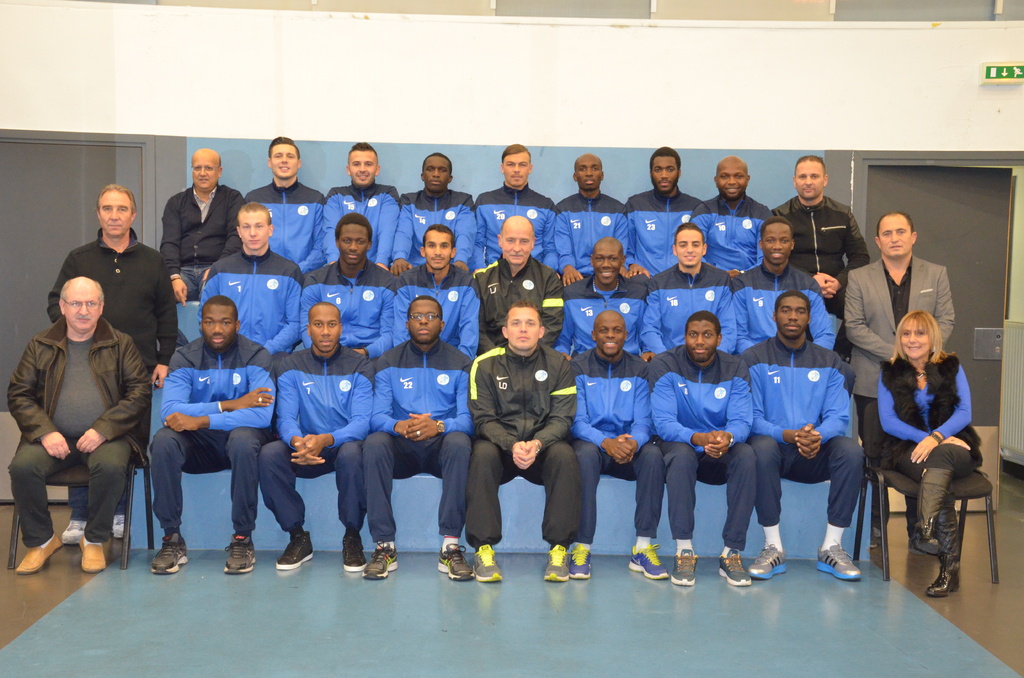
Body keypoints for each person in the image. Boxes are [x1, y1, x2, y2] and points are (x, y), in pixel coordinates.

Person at [47, 184, 177, 544]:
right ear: (98, 214)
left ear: (133, 215)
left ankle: (118, 513)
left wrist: (165, 359)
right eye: (107, 208)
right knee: (83, 435)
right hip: (85, 368)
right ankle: (79, 515)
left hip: (136, 371)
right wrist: (78, 334)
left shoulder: (153, 261)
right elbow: (56, 303)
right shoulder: (79, 259)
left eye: (122, 209)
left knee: (121, 442)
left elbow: (167, 313)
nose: (114, 215)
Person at [9, 277, 150, 574]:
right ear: (62, 306)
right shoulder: (40, 344)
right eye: (75, 303)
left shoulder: (121, 343)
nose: (83, 311)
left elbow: (139, 393)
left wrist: (103, 429)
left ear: (101, 307)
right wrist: (45, 431)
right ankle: (42, 541)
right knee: (22, 467)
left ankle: (93, 539)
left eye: (90, 303)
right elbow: (19, 394)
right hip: (52, 439)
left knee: (111, 467)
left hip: (107, 438)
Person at [845, 211, 954, 544]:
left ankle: (918, 531)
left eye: (901, 231)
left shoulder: (936, 274)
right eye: (887, 233)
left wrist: (918, 354)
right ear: (878, 241)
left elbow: (945, 321)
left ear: (913, 237)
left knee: (918, 453)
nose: (895, 238)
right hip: (872, 380)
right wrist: (900, 354)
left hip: (923, 383)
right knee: (875, 455)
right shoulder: (858, 277)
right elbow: (854, 327)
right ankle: (875, 531)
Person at [741, 290, 864, 581]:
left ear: (809, 318)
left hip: (813, 450)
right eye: (786, 310)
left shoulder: (829, 360)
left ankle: (832, 547)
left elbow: (838, 417)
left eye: (800, 311)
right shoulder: (753, 358)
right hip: (776, 450)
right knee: (760, 448)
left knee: (851, 451)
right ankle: (773, 547)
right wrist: (787, 435)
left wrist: (815, 436)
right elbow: (750, 418)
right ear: (774, 316)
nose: (793, 316)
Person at [149, 296, 274, 575]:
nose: (217, 329)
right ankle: (172, 539)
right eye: (209, 322)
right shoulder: (184, 357)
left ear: (237, 325)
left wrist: (201, 420)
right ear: (200, 324)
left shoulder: (256, 355)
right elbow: (170, 412)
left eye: (225, 322)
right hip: (201, 445)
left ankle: (243, 539)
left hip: (240, 442)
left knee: (243, 439)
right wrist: (230, 404)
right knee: (164, 441)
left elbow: (261, 416)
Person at [466, 300, 580, 582]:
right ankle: (483, 549)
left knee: (565, 455)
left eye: (530, 323)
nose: (523, 329)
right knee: (481, 453)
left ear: (541, 331)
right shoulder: (484, 364)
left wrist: (538, 443)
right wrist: (511, 444)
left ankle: (559, 549)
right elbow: (483, 419)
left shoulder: (559, 365)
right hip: (502, 449)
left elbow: (562, 419)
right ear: (505, 331)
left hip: (542, 448)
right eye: (516, 323)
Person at [362, 297, 474, 580]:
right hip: (403, 446)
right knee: (374, 443)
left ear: (442, 324)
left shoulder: (461, 362)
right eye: (417, 316)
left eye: (431, 316)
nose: (424, 321)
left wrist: (438, 426)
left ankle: (451, 546)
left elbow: (469, 419)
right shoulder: (388, 361)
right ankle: (384, 545)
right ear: (407, 323)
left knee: (460, 442)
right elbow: (376, 417)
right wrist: (398, 426)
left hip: (440, 447)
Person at [258, 302, 372, 573]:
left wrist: (326, 439)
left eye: (331, 325)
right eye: (318, 325)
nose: (325, 332)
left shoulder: (360, 365)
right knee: (270, 454)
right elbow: (286, 418)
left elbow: (361, 423)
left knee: (354, 453)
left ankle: (352, 536)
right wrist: (297, 442)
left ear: (341, 328)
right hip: (304, 446)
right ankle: (297, 536)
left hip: (340, 445)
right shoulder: (290, 364)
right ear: (307, 329)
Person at [877, 310, 981, 597]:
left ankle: (926, 527)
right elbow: (888, 422)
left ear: (932, 337)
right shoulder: (890, 371)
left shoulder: (951, 367)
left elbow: (964, 412)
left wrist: (938, 437)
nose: (912, 340)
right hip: (908, 448)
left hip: (955, 445)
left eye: (919, 333)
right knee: (938, 473)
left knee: (939, 461)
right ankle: (949, 569)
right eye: (906, 334)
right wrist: (926, 439)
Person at [649, 311, 756, 587]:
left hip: (719, 446)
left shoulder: (735, 366)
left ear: (719, 339)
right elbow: (664, 423)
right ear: (684, 337)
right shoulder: (664, 364)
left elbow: (742, 421)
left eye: (707, 335)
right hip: (682, 442)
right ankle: (684, 550)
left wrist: (728, 438)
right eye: (693, 335)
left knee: (746, 455)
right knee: (681, 456)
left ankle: (732, 552)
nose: (699, 341)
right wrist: (697, 437)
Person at [569, 310, 665, 580]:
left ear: (626, 335)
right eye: (604, 330)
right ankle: (582, 548)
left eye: (617, 330)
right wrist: (606, 442)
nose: (610, 335)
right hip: (593, 443)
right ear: (593, 335)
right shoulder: (577, 367)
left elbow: (644, 421)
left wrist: (633, 443)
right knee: (583, 455)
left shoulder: (640, 369)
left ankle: (643, 548)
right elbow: (577, 422)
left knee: (653, 455)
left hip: (627, 445)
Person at [773, 155, 869, 356]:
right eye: (803, 177)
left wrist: (839, 281)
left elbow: (860, 256)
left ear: (825, 180)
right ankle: (804, 359)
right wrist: (810, 280)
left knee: (867, 310)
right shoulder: (780, 216)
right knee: (793, 317)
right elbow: (776, 258)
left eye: (814, 176)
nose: (808, 182)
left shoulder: (843, 214)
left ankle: (837, 357)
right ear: (794, 181)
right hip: (797, 285)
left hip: (836, 286)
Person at [200, 203, 302, 354]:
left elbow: (295, 323)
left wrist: (266, 350)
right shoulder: (220, 270)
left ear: (270, 230)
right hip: (229, 356)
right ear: (239, 232)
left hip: (273, 357)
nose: (252, 233)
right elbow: (205, 317)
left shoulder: (289, 271)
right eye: (246, 227)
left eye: (259, 226)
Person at [732, 216, 834, 353]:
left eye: (784, 241)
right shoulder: (743, 283)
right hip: (756, 359)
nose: (777, 246)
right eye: (770, 240)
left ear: (792, 244)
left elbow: (824, 335)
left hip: (798, 358)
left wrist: (807, 359)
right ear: (761, 244)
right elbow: (739, 337)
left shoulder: (808, 285)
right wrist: (760, 359)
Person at [301, 213, 397, 358]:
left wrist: (365, 353)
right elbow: (306, 329)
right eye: (347, 241)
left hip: (370, 357)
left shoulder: (387, 282)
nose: (353, 247)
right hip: (326, 355)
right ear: (337, 242)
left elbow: (389, 333)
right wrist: (327, 354)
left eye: (360, 241)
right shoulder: (315, 281)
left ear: (369, 245)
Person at [160, 148, 245, 303]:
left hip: (217, 269)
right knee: (161, 294)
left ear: (219, 171)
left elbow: (236, 237)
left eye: (208, 168)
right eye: (197, 168)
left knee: (212, 293)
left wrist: (217, 268)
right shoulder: (176, 202)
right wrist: (174, 276)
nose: (202, 173)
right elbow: (169, 243)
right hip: (182, 272)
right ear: (192, 171)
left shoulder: (233, 199)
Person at [641, 223, 736, 358]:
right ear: (675, 250)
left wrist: (714, 359)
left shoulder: (720, 280)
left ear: (704, 249)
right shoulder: (659, 283)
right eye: (683, 245)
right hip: (671, 361)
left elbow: (728, 329)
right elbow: (650, 329)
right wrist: (666, 359)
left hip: (711, 360)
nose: (690, 250)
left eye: (695, 245)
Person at [473, 216, 563, 354]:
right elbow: (476, 328)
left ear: (533, 243)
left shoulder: (549, 278)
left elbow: (552, 325)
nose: (516, 248)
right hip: (491, 359)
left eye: (524, 241)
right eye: (510, 240)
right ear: (500, 241)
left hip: (534, 357)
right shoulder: (481, 279)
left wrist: (526, 354)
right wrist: (496, 359)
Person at [393, 224, 480, 357]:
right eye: (432, 246)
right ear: (423, 251)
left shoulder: (466, 282)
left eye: (444, 246)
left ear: (453, 252)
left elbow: (469, 331)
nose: (438, 252)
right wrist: (409, 362)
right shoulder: (406, 281)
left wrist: (462, 364)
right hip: (413, 358)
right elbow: (401, 331)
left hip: (453, 358)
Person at [244, 136, 326, 274]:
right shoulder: (254, 199)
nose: (284, 160)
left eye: (290, 156)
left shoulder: (315, 199)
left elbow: (321, 246)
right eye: (278, 156)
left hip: (303, 276)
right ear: (270, 162)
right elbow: (246, 241)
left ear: (298, 163)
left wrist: (297, 270)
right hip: (263, 275)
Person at [556, 237, 648, 357]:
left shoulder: (638, 293)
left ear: (622, 261)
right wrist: (562, 353)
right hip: (583, 363)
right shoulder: (572, 293)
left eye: (613, 259)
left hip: (628, 363)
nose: (606, 265)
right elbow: (563, 339)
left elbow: (646, 335)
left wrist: (648, 351)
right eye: (600, 258)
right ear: (592, 260)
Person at [472, 144, 558, 271]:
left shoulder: (545, 205)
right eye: (511, 164)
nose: (516, 170)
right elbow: (477, 243)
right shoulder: (484, 201)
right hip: (493, 273)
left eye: (522, 165)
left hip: (534, 275)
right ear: (502, 168)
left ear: (530, 168)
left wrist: (547, 273)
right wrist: (480, 271)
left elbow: (551, 248)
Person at [391, 153, 475, 274]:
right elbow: (404, 233)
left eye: (442, 170)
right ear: (422, 176)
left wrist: (461, 259)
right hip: (415, 270)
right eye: (430, 169)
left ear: (450, 178)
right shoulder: (409, 201)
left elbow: (464, 234)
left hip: (451, 269)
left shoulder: (463, 201)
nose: (436, 174)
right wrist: (399, 257)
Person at [553, 153, 629, 285]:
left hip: (609, 274)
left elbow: (621, 247)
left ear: (602, 175)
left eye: (594, 168)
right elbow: (563, 249)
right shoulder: (563, 209)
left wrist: (622, 266)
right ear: (575, 176)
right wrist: (567, 267)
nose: (589, 173)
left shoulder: (617, 209)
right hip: (577, 275)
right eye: (582, 169)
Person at [690, 155, 774, 276]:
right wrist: (717, 275)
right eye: (725, 176)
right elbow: (692, 252)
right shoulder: (704, 211)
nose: (731, 182)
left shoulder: (762, 213)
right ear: (716, 180)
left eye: (738, 176)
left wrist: (742, 274)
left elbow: (766, 258)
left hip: (751, 281)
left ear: (747, 179)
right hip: (710, 280)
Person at [624, 147, 701, 277]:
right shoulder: (635, 205)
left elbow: (701, 249)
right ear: (651, 173)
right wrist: (631, 264)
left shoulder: (695, 207)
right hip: (645, 278)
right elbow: (626, 246)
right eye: (658, 170)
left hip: (683, 279)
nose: (664, 175)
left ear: (679, 173)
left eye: (670, 169)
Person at [322, 142, 400, 266]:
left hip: (377, 267)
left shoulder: (388, 194)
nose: (362, 169)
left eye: (368, 164)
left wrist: (381, 263)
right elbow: (331, 231)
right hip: (341, 268)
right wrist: (334, 264)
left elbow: (387, 231)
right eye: (356, 164)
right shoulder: (335, 195)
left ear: (377, 169)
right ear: (348, 169)